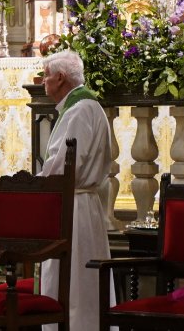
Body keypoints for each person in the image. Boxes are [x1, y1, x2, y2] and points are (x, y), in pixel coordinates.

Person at [39, 50, 114, 330]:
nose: (43, 82)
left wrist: (37, 183)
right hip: (80, 205)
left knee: (76, 284)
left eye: (46, 76)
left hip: (74, 207)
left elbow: (64, 165)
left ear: (60, 78)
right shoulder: (84, 106)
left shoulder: (80, 109)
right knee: (81, 282)